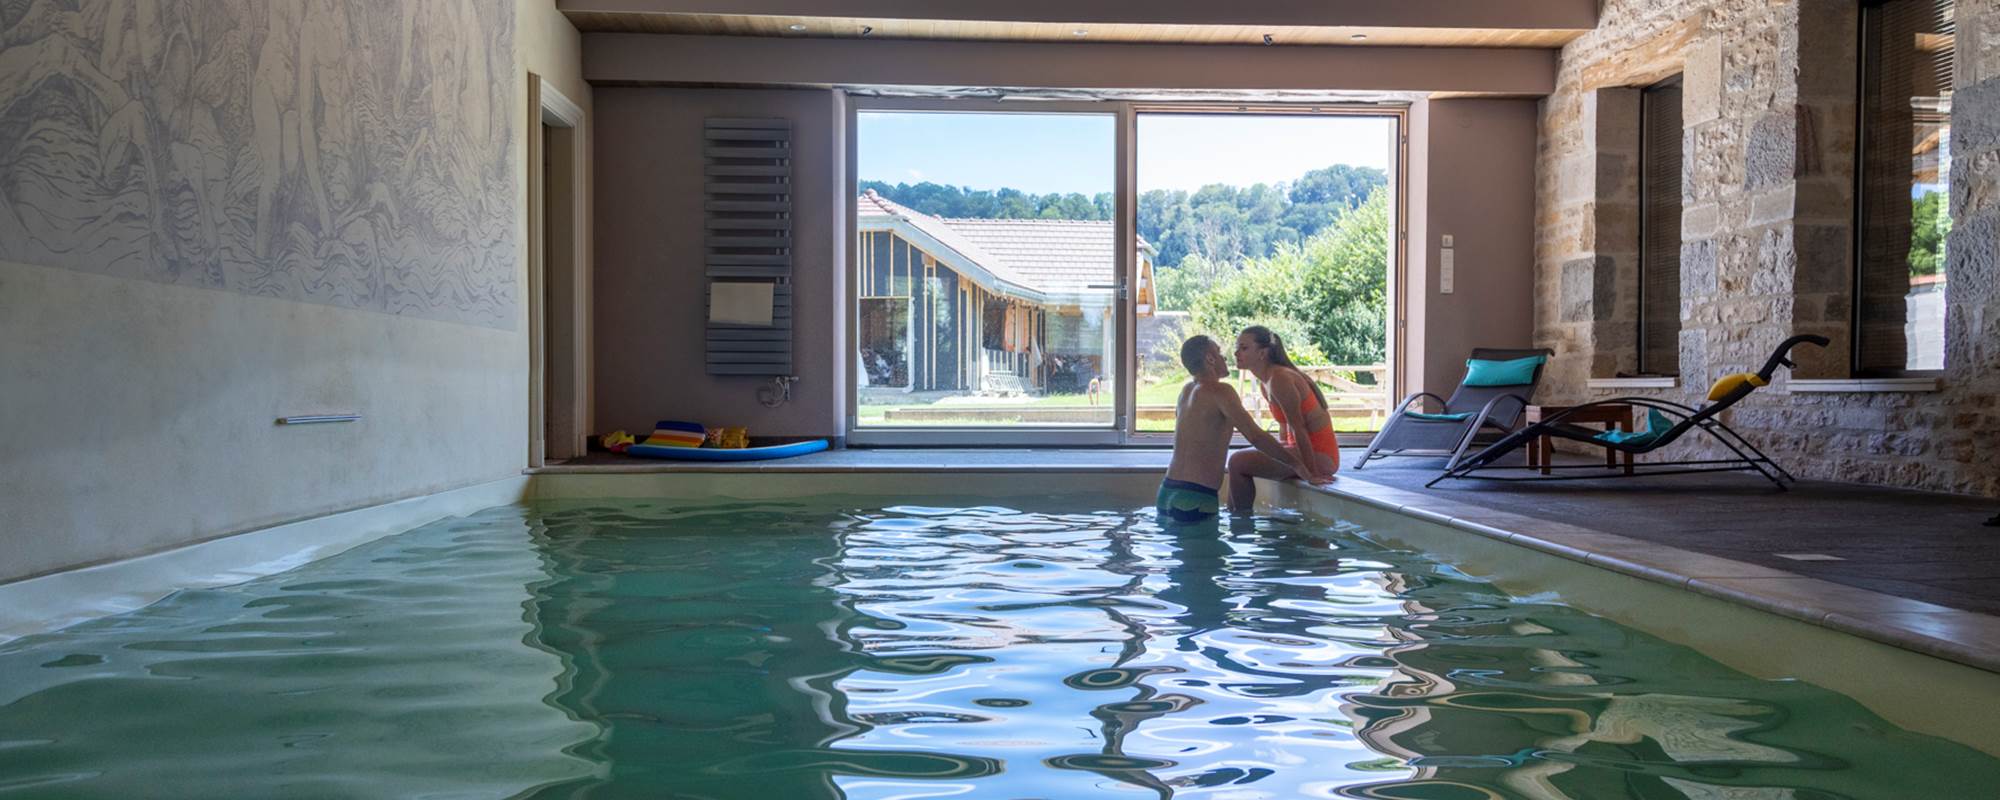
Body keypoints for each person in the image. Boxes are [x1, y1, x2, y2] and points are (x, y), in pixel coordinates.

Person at [1159, 336, 1329, 524]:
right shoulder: (1221, 391)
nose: (1225, 357)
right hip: (1195, 497)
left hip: (1167, 491)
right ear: (1210, 359)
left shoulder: (1185, 392)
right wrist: (1297, 465)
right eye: (1219, 353)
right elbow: (1256, 437)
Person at [1225, 325, 1341, 513]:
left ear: (1262, 353)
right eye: (1237, 348)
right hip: (1303, 451)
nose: (1236, 353)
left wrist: (1311, 472)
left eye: (1244, 348)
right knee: (1246, 456)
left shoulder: (1280, 379)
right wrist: (1282, 453)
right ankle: (1235, 515)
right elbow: (1284, 429)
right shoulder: (1266, 382)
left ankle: (1239, 522)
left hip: (1320, 456)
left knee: (1237, 461)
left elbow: (1299, 428)